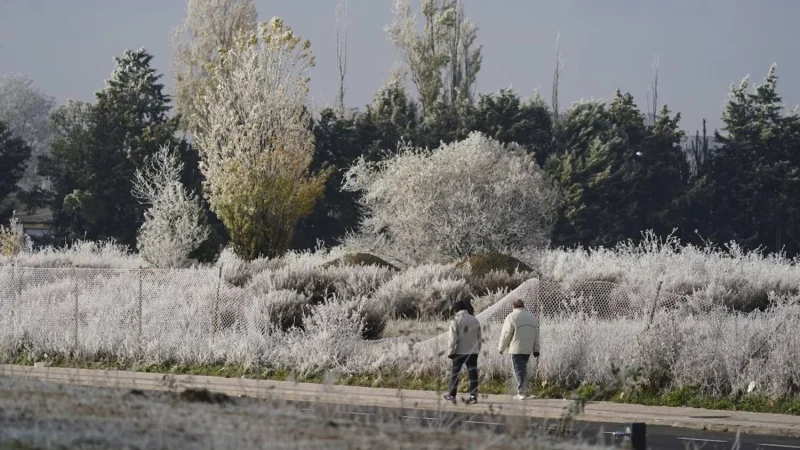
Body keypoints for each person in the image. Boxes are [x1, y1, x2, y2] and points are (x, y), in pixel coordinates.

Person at [498, 298, 540, 400]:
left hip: (516, 348)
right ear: (523, 306)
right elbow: (536, 335)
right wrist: (536, 349)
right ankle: (527, 392)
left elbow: (506, 334)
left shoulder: (511, 317)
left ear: (514, 306)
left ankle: (522, 393)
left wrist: (501, 348)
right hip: (528, 349)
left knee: (519, 370)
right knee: (524, 370)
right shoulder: (531, 317)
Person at [444, 299, 482, 404]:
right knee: (473, 373)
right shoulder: (474, 320)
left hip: (459, 351)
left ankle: (452, 395)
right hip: (473, 351)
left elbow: (452, 338)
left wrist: (450, 352)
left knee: (455, 373)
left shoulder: (455, 320)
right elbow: (479, 337)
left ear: (456, 309)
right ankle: (473, 396)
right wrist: (478, 349)